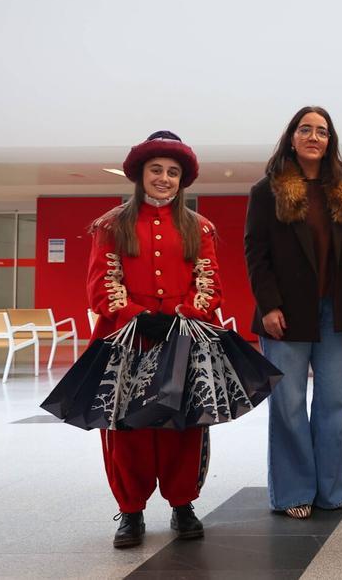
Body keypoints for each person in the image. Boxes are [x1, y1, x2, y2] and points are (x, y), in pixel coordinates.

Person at [87, 131, 219, 548]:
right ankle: (130, 511)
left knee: (184, 425)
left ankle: (183, 505)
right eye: (157, 170)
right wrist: (136, 316)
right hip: (126, 340)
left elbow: (211, 284)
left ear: (183, 180)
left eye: (173, 172)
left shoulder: (201, 227)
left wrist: (185, 314)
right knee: (127, 430)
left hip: (183, 337)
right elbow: (100, 285)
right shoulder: (111, 225)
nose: (164, 178)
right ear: (141, 174)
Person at [244, 105, 342, 520]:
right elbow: (255, 253)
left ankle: (330, 489)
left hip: (335, 312)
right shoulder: (267, 190)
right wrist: (268, 305)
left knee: (335, 401)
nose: (314, 137)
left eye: (322, 131)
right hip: (286, 314)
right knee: (289, 403)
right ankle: (293, 490)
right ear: (291, 137)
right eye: (305, 129)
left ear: (330, 142)